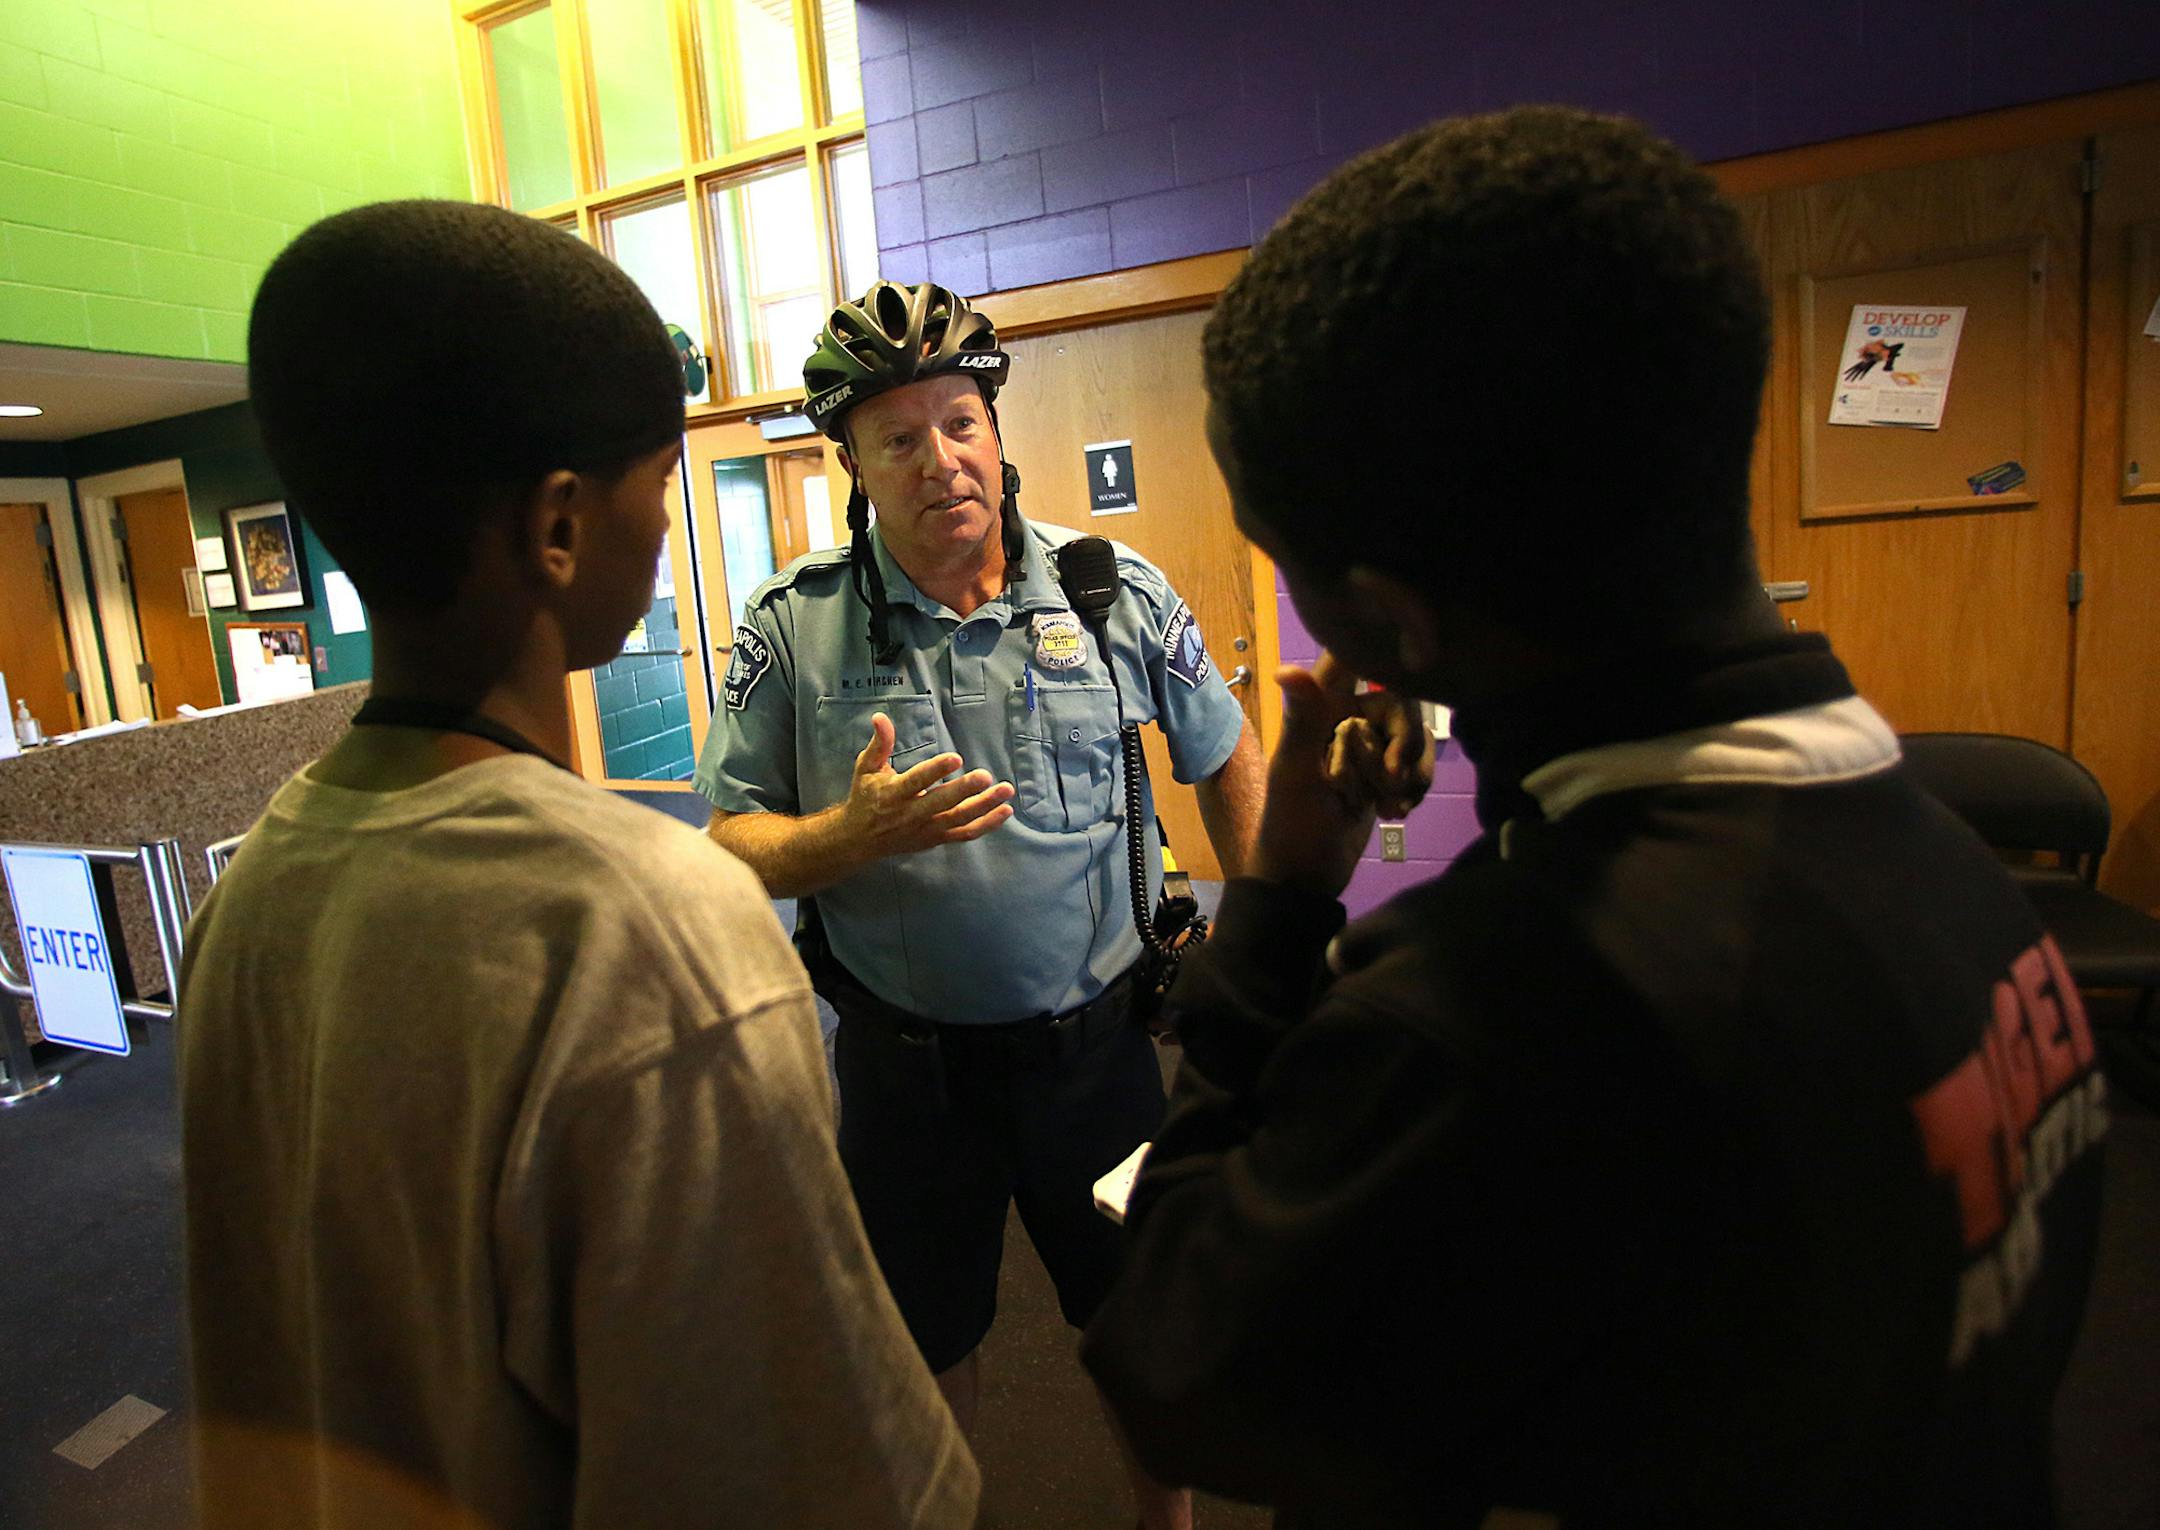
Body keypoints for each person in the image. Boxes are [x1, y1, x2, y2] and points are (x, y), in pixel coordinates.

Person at [1081, 107, 2110, 1528]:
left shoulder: (1479, 1018)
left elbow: (1174, 1362)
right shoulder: (1960, 870)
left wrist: (1274, 907)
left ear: (1386, 622)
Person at [181, 201, 977, 1529]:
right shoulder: (652, 932)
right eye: (659, 485)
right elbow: (829, 1486)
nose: (666, 528)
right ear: (559, 524)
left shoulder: (246, 898)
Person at [696, 280, 1266, 1529]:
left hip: (1102, 1061)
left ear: (997, 431)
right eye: (898, 437)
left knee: (1138, 1333)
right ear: (851, 462)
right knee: (918, 1349)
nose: (939, 459)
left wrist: (1261, 952)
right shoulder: (793, 630)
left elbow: (1223, 750)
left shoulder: (1109, 589)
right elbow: (726, 844)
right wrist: (846, 837)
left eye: (959, 422)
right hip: (908, 1079)